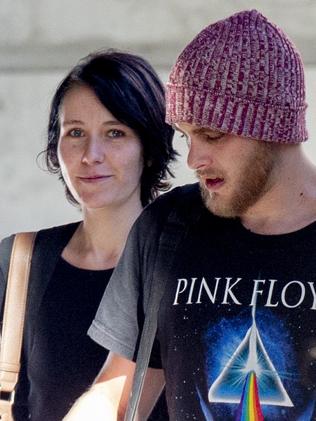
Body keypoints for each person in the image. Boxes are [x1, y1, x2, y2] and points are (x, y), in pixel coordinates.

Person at [64, 10, 316, 421]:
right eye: (186, 135)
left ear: (275, 128)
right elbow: (118, 396)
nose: (195, 158)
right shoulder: (167, 227)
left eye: (212, 135)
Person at [0, 50, 176, 421]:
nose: (91, 154)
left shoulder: (185, 265)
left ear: (147, 148)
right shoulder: (19, 260)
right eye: (75, 132)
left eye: (115, 133)